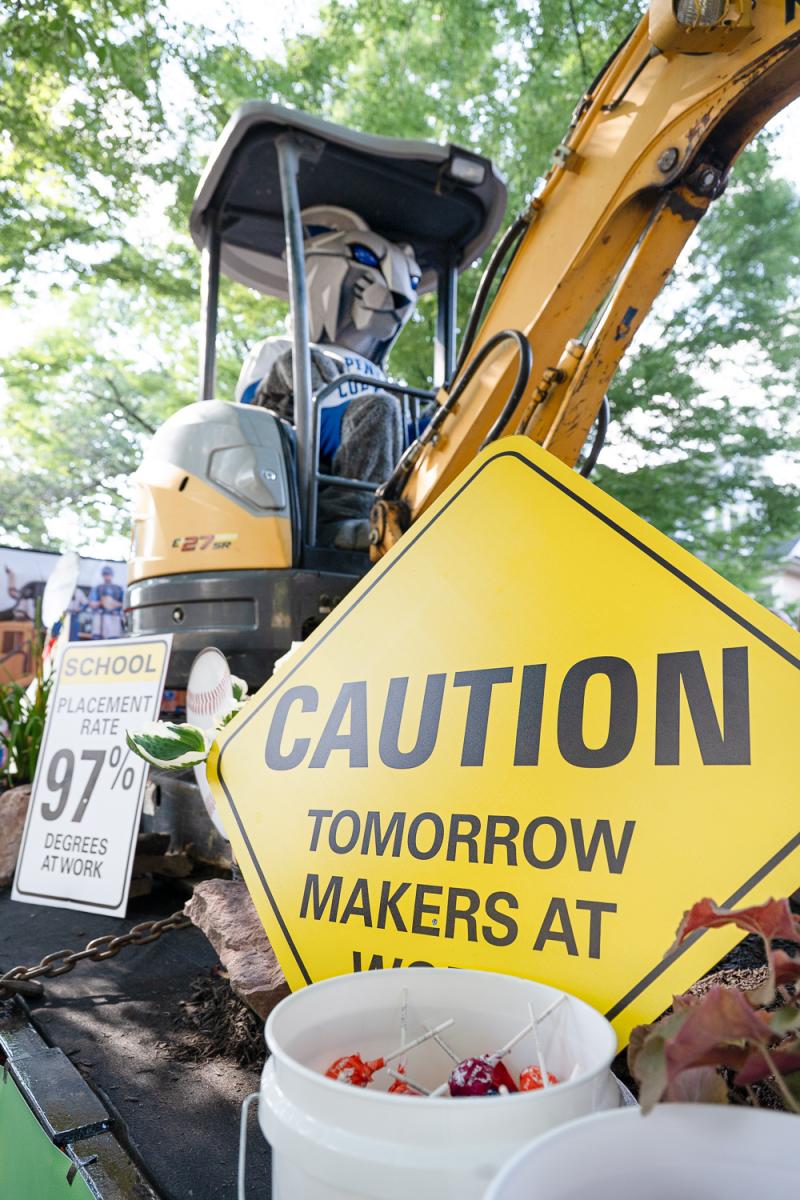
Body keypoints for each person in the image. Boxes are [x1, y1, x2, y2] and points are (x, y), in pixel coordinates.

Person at [235, 206, 420, 549]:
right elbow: (251, 412)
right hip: (293, 437)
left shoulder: (378, 377)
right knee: (311, 365)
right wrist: (317, 387)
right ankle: (336, 520)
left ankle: (365, 512)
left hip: (358, 443)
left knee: (390, 408)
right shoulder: (280, 347)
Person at [87, 566, 124, 640]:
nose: (107, 576)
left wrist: (112, 603)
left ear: (112, 575)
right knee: (97, 641)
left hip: (114, 619)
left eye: (108, 574)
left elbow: (124, 604)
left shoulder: (118, 589)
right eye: (105, 574)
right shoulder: (98, 588)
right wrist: (101, 602)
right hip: (100, 619)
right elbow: (91, 603)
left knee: (113, 642)